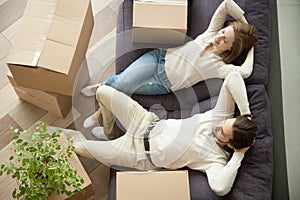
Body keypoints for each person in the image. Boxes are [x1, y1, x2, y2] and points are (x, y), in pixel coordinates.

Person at [70, 72, 257, 196]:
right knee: (102, 91)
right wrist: (246, 113)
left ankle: (109, 141)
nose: (218, 126)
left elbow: (220, 188)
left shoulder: (216, 160)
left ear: (231, 145)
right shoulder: (219, 116)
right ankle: (109, 133)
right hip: (145, 121)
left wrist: (239, 155)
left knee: (79, 147)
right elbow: (233, 77)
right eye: (225, 122)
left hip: (139, 154)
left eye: (222, 132)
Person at [81, 0, 258, 97]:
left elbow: (245, 72)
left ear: (230, 49)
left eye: (224, 40)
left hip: (163, 85)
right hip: (158, 59)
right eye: (222, 31)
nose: (219, 37)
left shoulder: (220, 67)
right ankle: (100, 89)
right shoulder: (209, 35)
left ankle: (101, 96)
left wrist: (250, 49)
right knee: (122, 83)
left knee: (126, 89)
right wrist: (243, 24)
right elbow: (227, 4)